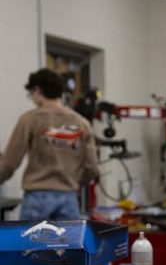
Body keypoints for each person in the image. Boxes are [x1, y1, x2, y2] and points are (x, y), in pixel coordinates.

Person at [0, 68, 98, 220]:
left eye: (31, 94)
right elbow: (92, 168)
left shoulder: (29, 119)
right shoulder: (81, 123)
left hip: (37, 198)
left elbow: (9, 163)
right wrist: (74, 183)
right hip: (68, 198)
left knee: (32, 243)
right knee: (67, 243)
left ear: (37, 90)